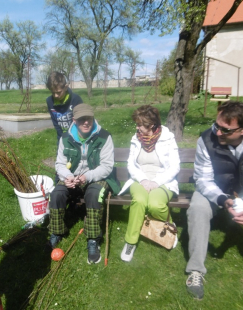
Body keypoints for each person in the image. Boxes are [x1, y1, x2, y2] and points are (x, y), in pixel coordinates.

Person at [185, 101, 243, 309]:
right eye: (216, 125)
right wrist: (222, 199)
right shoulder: (206, 139)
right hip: (218, 192)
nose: (218, 132)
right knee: (198, 207)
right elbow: (203, 179)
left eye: (225, 129)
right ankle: (195, 271)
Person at [47, 103, 120, 264]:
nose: (86, 122)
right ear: (74, 120)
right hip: (72, 178)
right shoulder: (66, 138)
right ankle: (57, 232)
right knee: (57, 193)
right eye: (81, 120)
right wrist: (67, 176)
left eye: (88, 119)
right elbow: (60, 164)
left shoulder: (104, 137)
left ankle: (93, 239)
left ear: (93, 118)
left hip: (97, 177)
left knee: (94, 194)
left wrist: (87, 177)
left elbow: (107, 167)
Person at [118, 105, 180, 262]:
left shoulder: (167, 138)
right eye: (137, 124)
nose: (137, 128)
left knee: (155, 205)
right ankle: (130, 242)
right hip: (140, 180)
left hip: (163, 180)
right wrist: (143, 180)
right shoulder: (136, 139)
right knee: (139, 201)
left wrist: (156, 182)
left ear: (152, 125)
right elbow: (131, 164)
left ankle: (169, 226)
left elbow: (175, 167)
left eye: (140, 125)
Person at [46, 71, 83, 141]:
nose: (56, 95)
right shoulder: (49, 101)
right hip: (61, 137)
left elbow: (81, 120)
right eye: (53, 92)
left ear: (66, 87)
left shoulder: (76, 99)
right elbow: (55, 121)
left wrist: (74, 136)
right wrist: (62, 136)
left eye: (59, 92)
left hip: (77, 136)